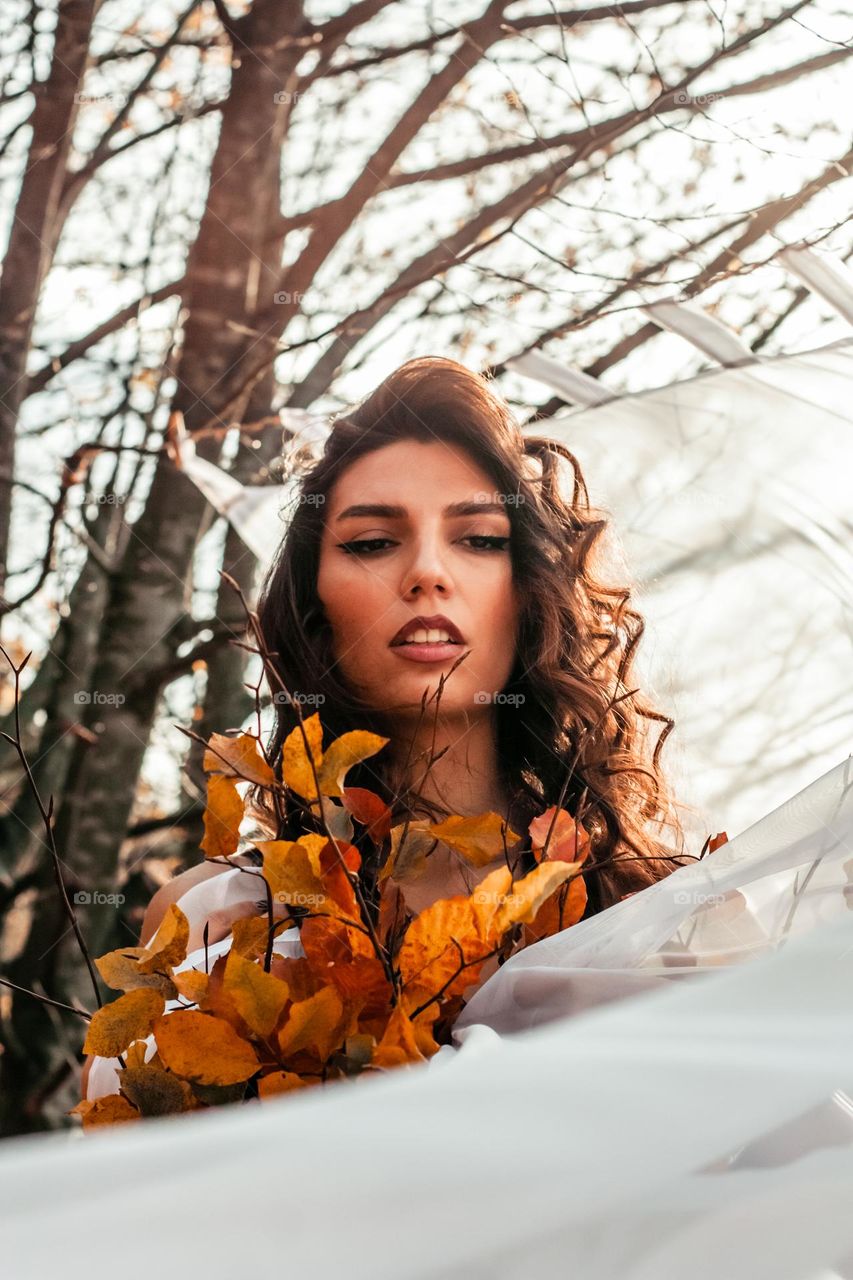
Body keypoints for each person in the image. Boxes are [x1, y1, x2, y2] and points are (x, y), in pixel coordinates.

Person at [81, 355, 694, 1100]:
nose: (426, 573)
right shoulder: (211, 917)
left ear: (530, 591)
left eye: (478, 538)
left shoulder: (666, 913)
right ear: (314, 604)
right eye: (371, 543)